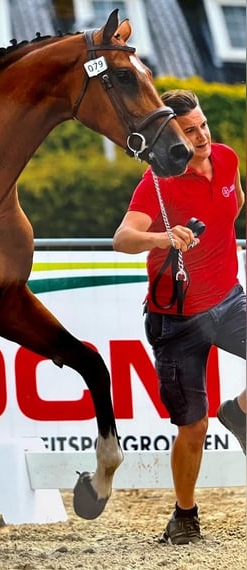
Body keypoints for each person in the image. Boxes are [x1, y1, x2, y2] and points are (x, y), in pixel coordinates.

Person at [112, 89, 246, 545]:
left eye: (203, 125)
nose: (202, 136)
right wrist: (164, 238)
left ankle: (240, 413)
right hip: (177, 319)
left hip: (229, 300)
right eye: (190, 132)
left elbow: (235, 203)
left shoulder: (226, 160)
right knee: (193, 427)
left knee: (215, 417)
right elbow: (122, 238)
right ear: (173, 137)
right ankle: (184, 515)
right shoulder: (158, 183)